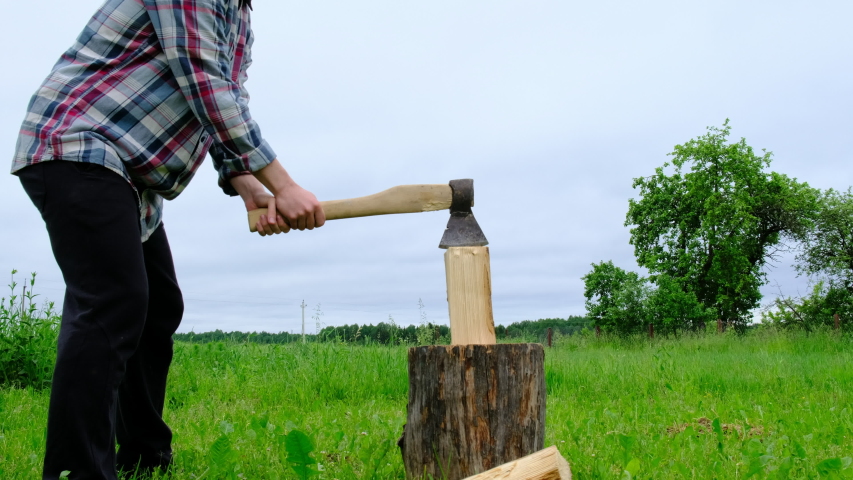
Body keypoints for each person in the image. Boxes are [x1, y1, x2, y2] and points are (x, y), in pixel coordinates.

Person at [11, 0, 324, 478]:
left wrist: (248, 186)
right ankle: (78, 470)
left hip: (132, 176)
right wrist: (283, 182)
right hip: (78, 144)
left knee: (157, 305)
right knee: (113, 302)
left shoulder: (239, 16)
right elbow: (199, 75)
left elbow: (225, 102)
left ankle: (143, 456)